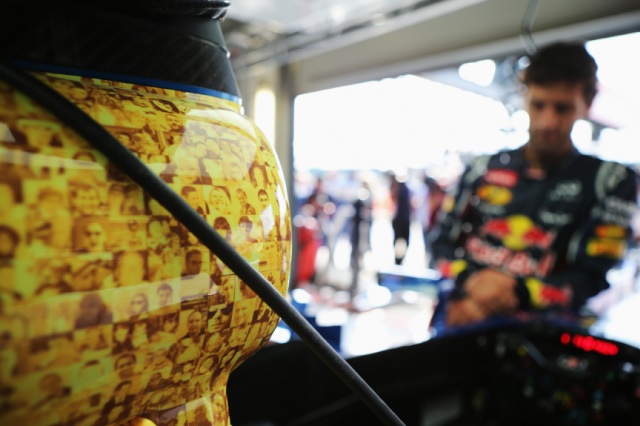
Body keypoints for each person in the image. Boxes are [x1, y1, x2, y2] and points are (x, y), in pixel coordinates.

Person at [428, 41, 638, 332]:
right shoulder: (481, 167)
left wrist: (518, 292)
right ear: (524, 96)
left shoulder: (610, 179)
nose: (547, 122)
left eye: (562, 108)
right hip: (458, 320)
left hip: (542, 342)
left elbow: (592, 278)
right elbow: (438, 245)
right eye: (538, 105)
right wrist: (472, 282)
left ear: (587, 104)